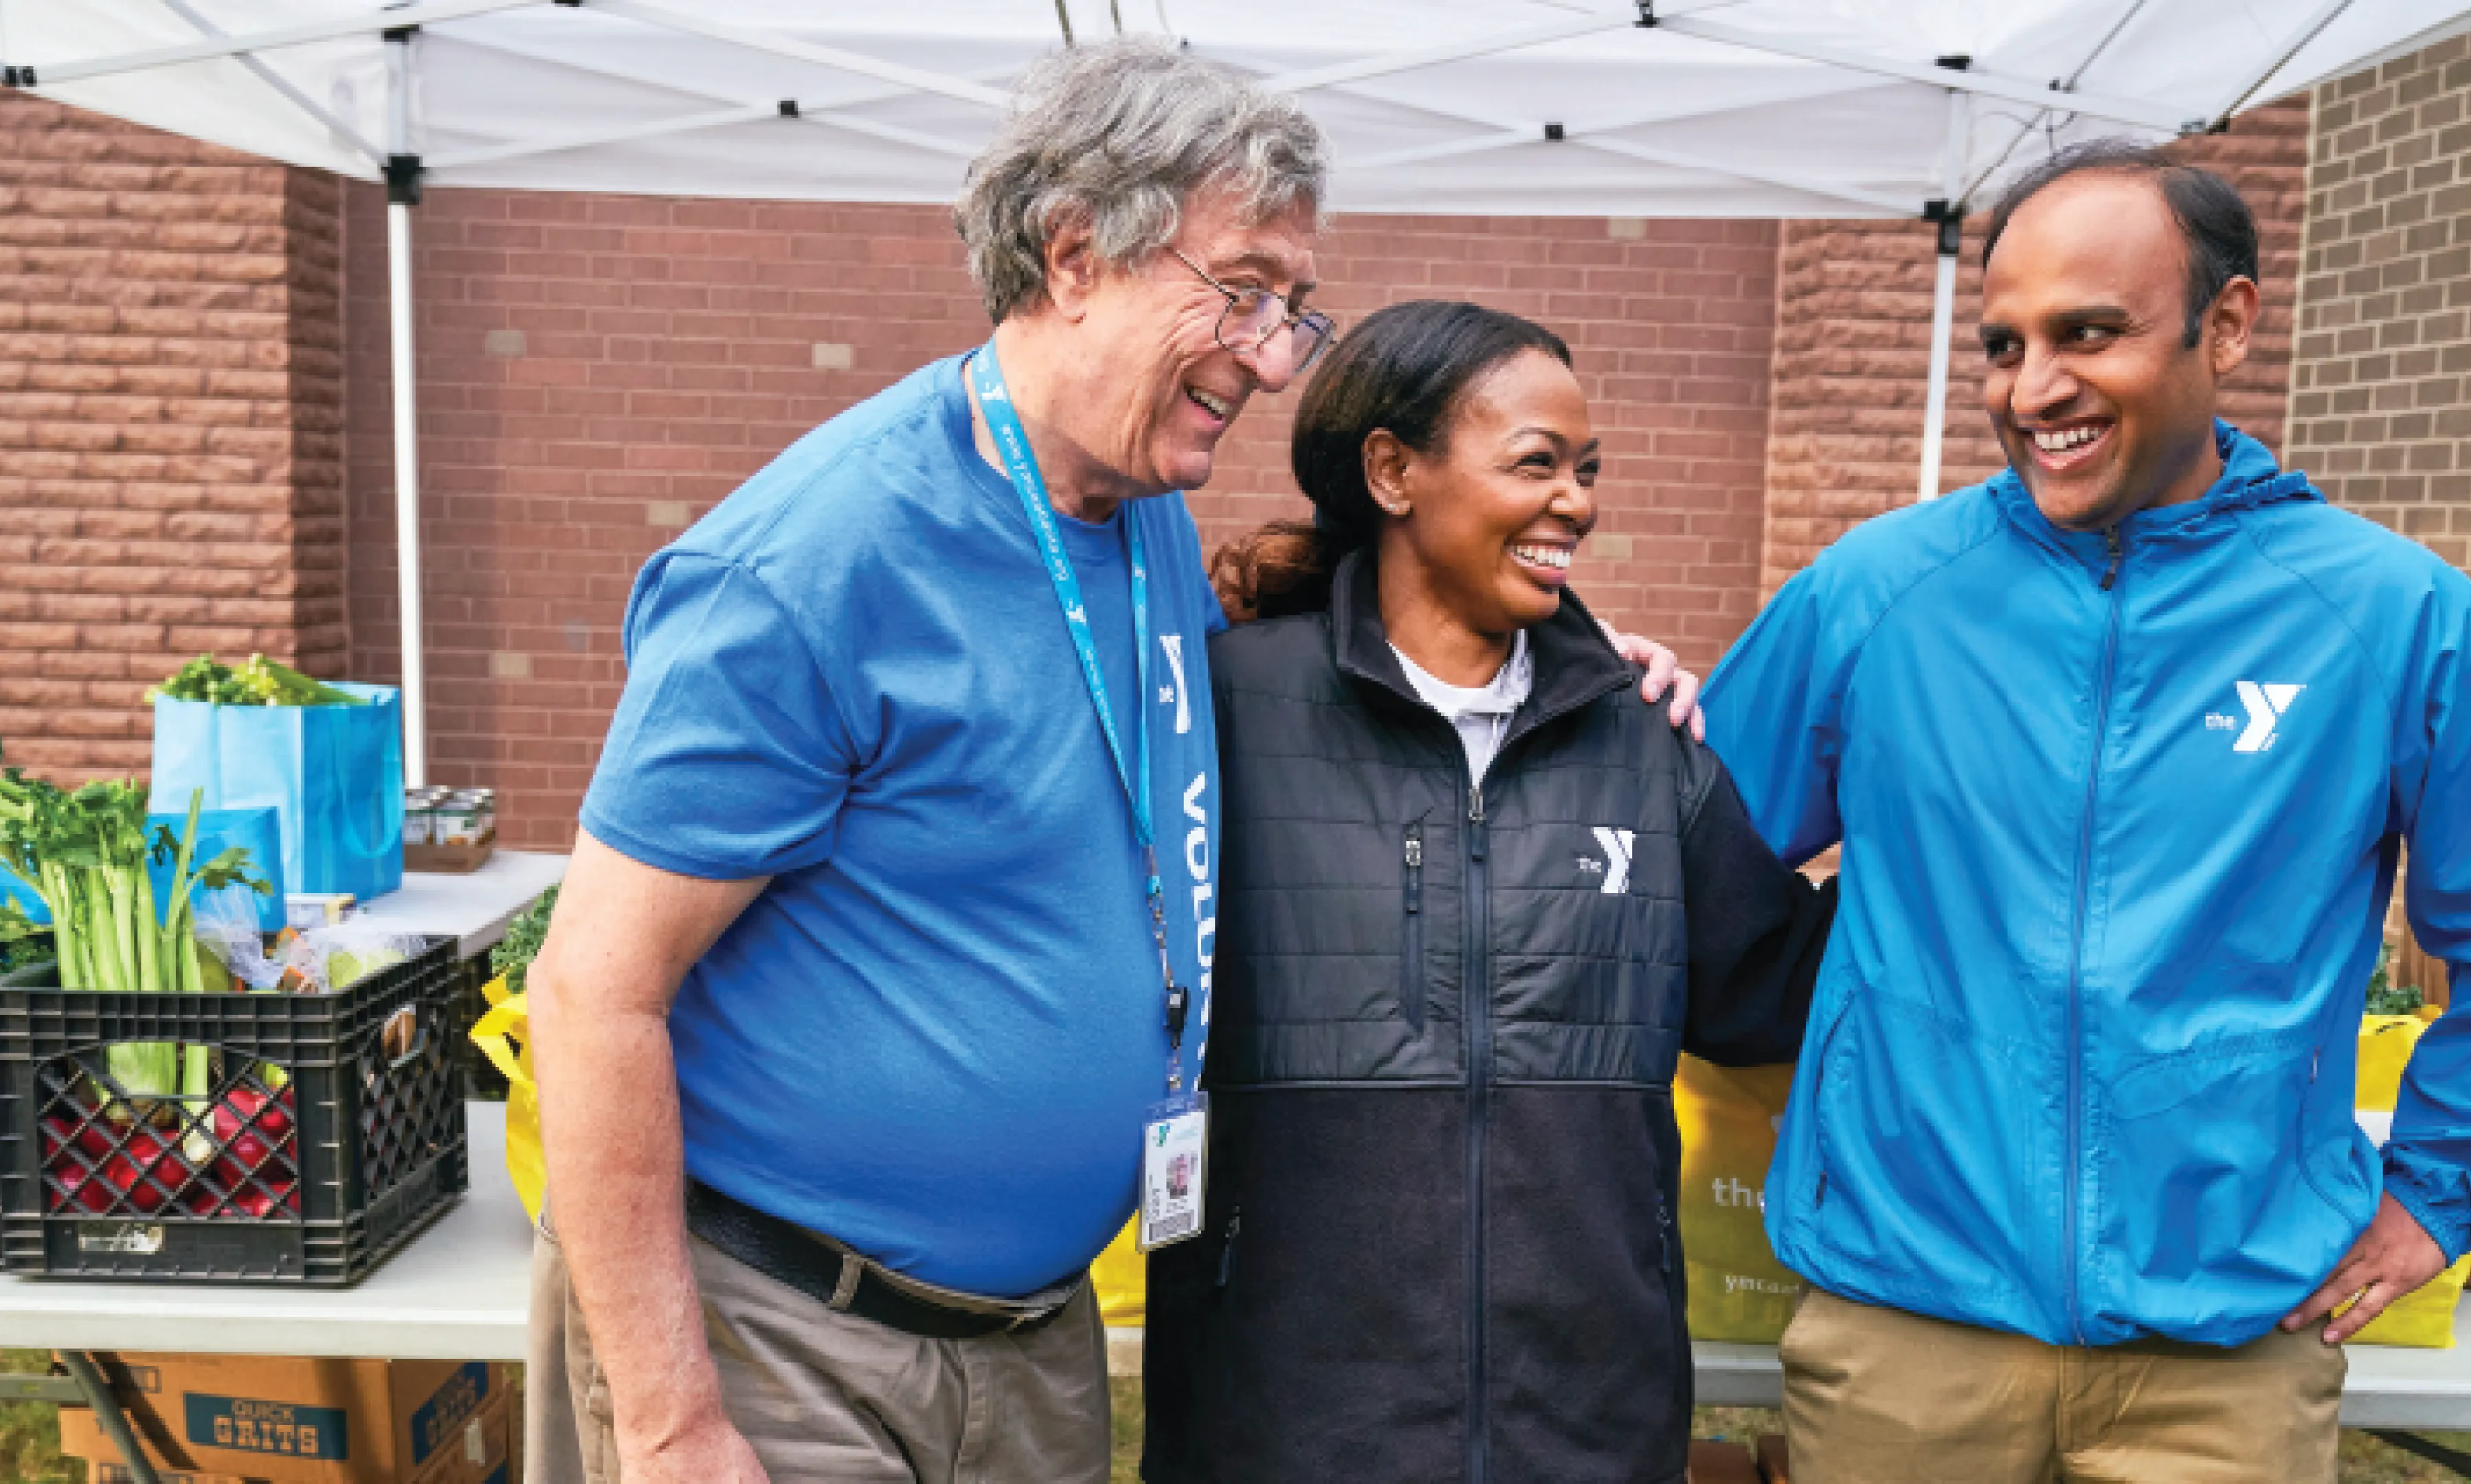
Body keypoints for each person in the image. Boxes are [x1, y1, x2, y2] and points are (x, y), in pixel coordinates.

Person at [522, 41, 1701, 1484]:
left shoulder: (1137, 509)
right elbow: (591, 994)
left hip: (1031, 1338)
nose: (1275, 358)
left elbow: (1320, 640)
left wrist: (1568, 661)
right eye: (1244, 291)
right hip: (786, 1340)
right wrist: (670, 1422)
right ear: (1076, 252)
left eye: (1294, 309)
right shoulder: (809, 566)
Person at [1700, 139, 2471, 1483]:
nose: (2036, 390)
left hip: (2227, 1358)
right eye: (2006, 346)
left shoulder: (2390, 616)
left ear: (2227, 324)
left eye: (2089, 334)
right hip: (1908, 1331)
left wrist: (2443, 1191)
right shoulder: (1876, 594)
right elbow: (1675, 852)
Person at [1141, 300, 1837, 1484]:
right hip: (1282, 1426)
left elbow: (1774, 992)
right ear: (1392, 472)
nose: (1578, 500)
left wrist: (1949, 820)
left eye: (1588, 469)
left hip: (1585, 1428)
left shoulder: (1639, 738)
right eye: (1538, 464)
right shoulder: (1223, 717)